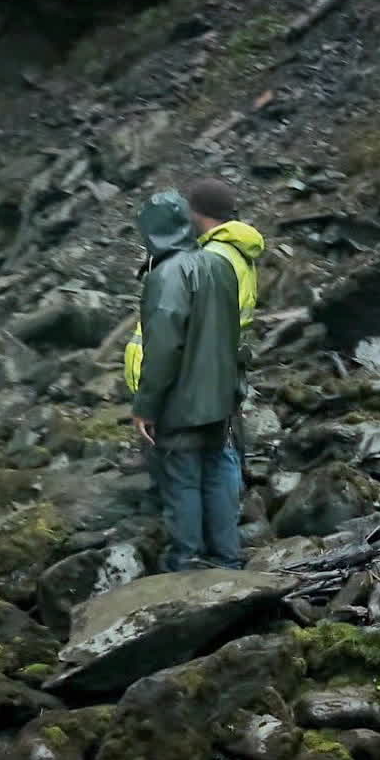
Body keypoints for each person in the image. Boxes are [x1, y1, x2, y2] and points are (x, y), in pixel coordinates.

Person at [125, 178, 264, 502]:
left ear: (198, 213)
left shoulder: (216, 255)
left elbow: (182, 320)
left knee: (206, 450)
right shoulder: (224, 250)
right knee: (216, 439)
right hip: (208, 360)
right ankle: (218, 509)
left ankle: (214, 515)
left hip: (195, 365)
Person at [130, 189, 245, 571]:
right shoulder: (219, 265)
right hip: (220, 395)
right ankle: (228, 556)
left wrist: (146, 407)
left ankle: (187, 559)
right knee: (216, 471)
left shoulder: (165, 276)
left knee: (182, 479)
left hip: (182, 398)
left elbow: (163, 347)